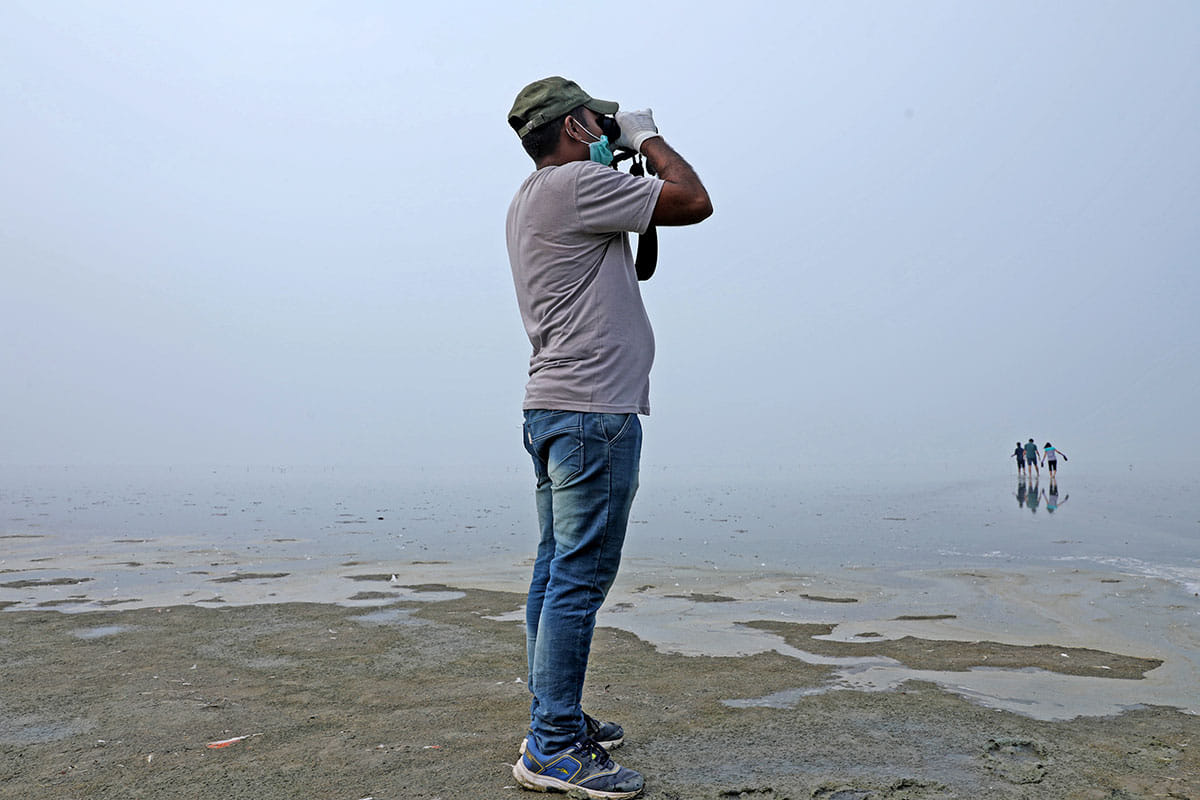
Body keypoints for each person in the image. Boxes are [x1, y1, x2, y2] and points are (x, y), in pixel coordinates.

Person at [504, 76, 712, 799]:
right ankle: (553, 745)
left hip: (556, 407)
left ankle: (554, 716)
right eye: (598, 119)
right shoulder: (576, 187)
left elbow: (638, 250)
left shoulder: (537, 195)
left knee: (555, 570)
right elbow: (694, 201)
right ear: (572, 126)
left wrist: (618, 160)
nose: (608, 127)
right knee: (579, 578)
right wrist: (646, 138)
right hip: (594, 413)